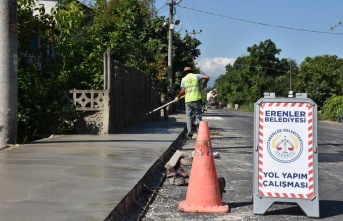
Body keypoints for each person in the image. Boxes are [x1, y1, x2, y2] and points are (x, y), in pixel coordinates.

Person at [175, 66, 209, 139]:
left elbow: (183, 91)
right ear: (191, 71)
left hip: (188, 101)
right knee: (198, 116)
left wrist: (177, 97)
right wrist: (205, 84)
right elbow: (207, 77)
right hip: (196, 99)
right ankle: (200, 133)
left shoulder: (183, 79)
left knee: (189, 117)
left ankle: (190, 134)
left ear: (185, 73)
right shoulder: (196, 76)